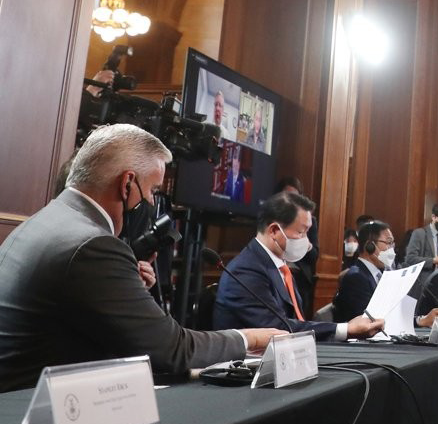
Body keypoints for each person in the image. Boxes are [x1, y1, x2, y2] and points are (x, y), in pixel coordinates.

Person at [0, 124, 283, 393]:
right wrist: (249, 338)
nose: (152, 202)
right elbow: (172, 350)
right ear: (127, 184)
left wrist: (126, 288)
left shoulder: (43, 221)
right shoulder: (95, 245)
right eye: (152, 191)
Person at [213, 192, 383, 341]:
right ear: (274, 230)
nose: (307, 243)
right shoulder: (246, 271)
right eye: (301, 232)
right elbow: (278, 328)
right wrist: (346, 329)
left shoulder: (280, 266)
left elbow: (296, 322)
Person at [333, 221, 397, 322]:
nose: (391, 248)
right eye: (388, 242)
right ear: (369, 246)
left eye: (392, 243)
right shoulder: (356, 277)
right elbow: (367, 319)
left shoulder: (380, 274)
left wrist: (417, 320)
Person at [276, 177, 319, 318]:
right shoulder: (271, 218)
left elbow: (314, 256)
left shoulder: (308, 221)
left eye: (295, 196)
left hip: (299, 276)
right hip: (276, 273)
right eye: (287, 196)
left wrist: (305, 244)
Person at [404, 203, 438, 275]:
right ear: (433, 217)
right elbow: (410, 259)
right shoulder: (419, 234)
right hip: (424, 278)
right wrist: (433, 261)